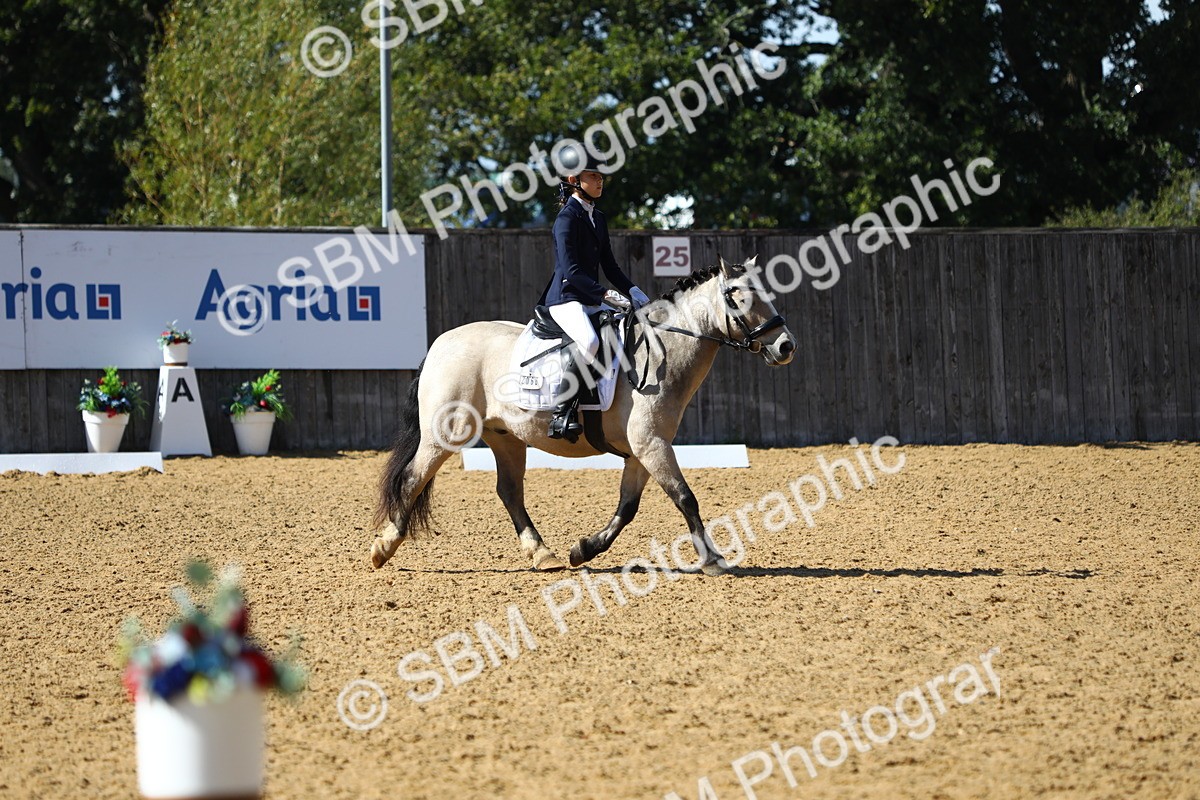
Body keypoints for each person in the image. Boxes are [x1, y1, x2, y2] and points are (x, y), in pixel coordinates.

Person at [537, 147, 650, 442]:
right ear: (575, 179)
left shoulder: (597, 218)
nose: (600, 181)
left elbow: (609, 265)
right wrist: (607, 295)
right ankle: (561, 412)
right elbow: (572, 271)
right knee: (588, 340)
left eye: (601, 176)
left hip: (590, 298)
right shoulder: (567, 218)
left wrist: (635, 292)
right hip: (565, 298)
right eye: (593, 175)